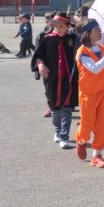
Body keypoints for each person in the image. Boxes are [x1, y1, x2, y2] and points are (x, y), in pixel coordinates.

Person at [31, 13, 80, 149]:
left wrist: (77, 24)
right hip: (52, 78)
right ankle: (58, 130)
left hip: (69, 78)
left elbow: (87, 42)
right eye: (56, 26)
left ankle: (64, 136)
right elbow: (38, 55)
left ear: (68, 26)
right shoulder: (47, 39)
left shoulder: (74, 39)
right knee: (54, 106)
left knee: (67, 106)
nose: (58, 28)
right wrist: (40, 64)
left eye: (61, 26)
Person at [74, 20, 104, 168]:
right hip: (88, 93)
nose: (100, 31)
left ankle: (97, 155)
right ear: (87, 33)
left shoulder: (102, 48)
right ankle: (81, 141)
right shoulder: (82, 51)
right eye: (96, 29)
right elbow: (95, 68)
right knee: (87, 124)